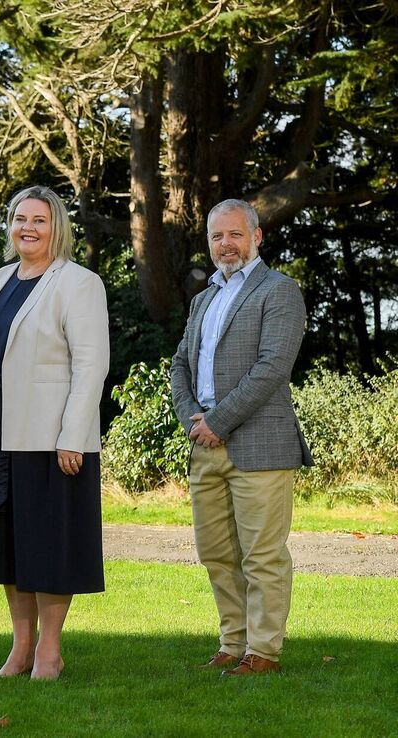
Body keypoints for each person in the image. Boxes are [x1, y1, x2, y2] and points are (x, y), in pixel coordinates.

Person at [0, 185, 109, 681]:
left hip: (48, 432)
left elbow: (91, 364)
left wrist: (73, 435)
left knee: (48, 543)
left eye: (39, 220)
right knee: (7, 543)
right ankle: (20, 648)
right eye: (20, 218)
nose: (28, 228)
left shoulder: (78, 283)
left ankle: (50, 652)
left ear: (56, 227)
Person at [169, 198, 312, 676]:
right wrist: (194, 418)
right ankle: (232, 644)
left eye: (235, 234)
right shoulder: (202, 298)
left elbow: (271, 368)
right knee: (217, 554)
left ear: (257, 237)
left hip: (259, 444)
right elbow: (179, 366)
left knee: (263, 555)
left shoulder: (280, 290)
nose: (225, 244)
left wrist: (218, 421)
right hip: (203, 442)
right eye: (216, 236)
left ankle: (263, 652)